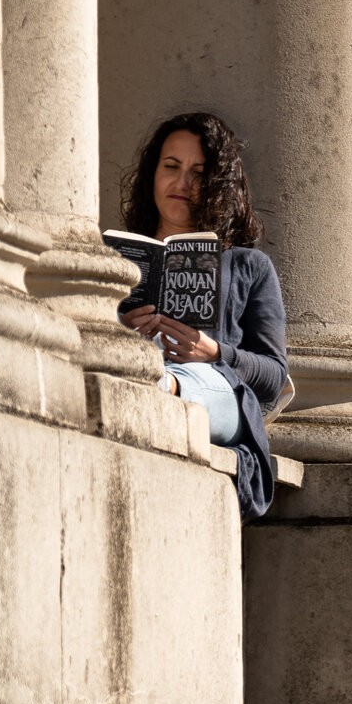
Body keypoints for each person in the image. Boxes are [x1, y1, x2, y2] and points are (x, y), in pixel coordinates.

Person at [116, 111, 288, 518]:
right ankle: (147, 379)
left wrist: (214, 352)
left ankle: (158, 386)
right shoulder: (116, 260)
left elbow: (273, 376)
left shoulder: (249, 266)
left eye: (198, 173)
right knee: (131, 365)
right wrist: (120, 330)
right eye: (171, 167)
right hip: (136, 365)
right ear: (152, 174)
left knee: (175, 379)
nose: (182, 184)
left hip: (214, 388)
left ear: (218, 185)